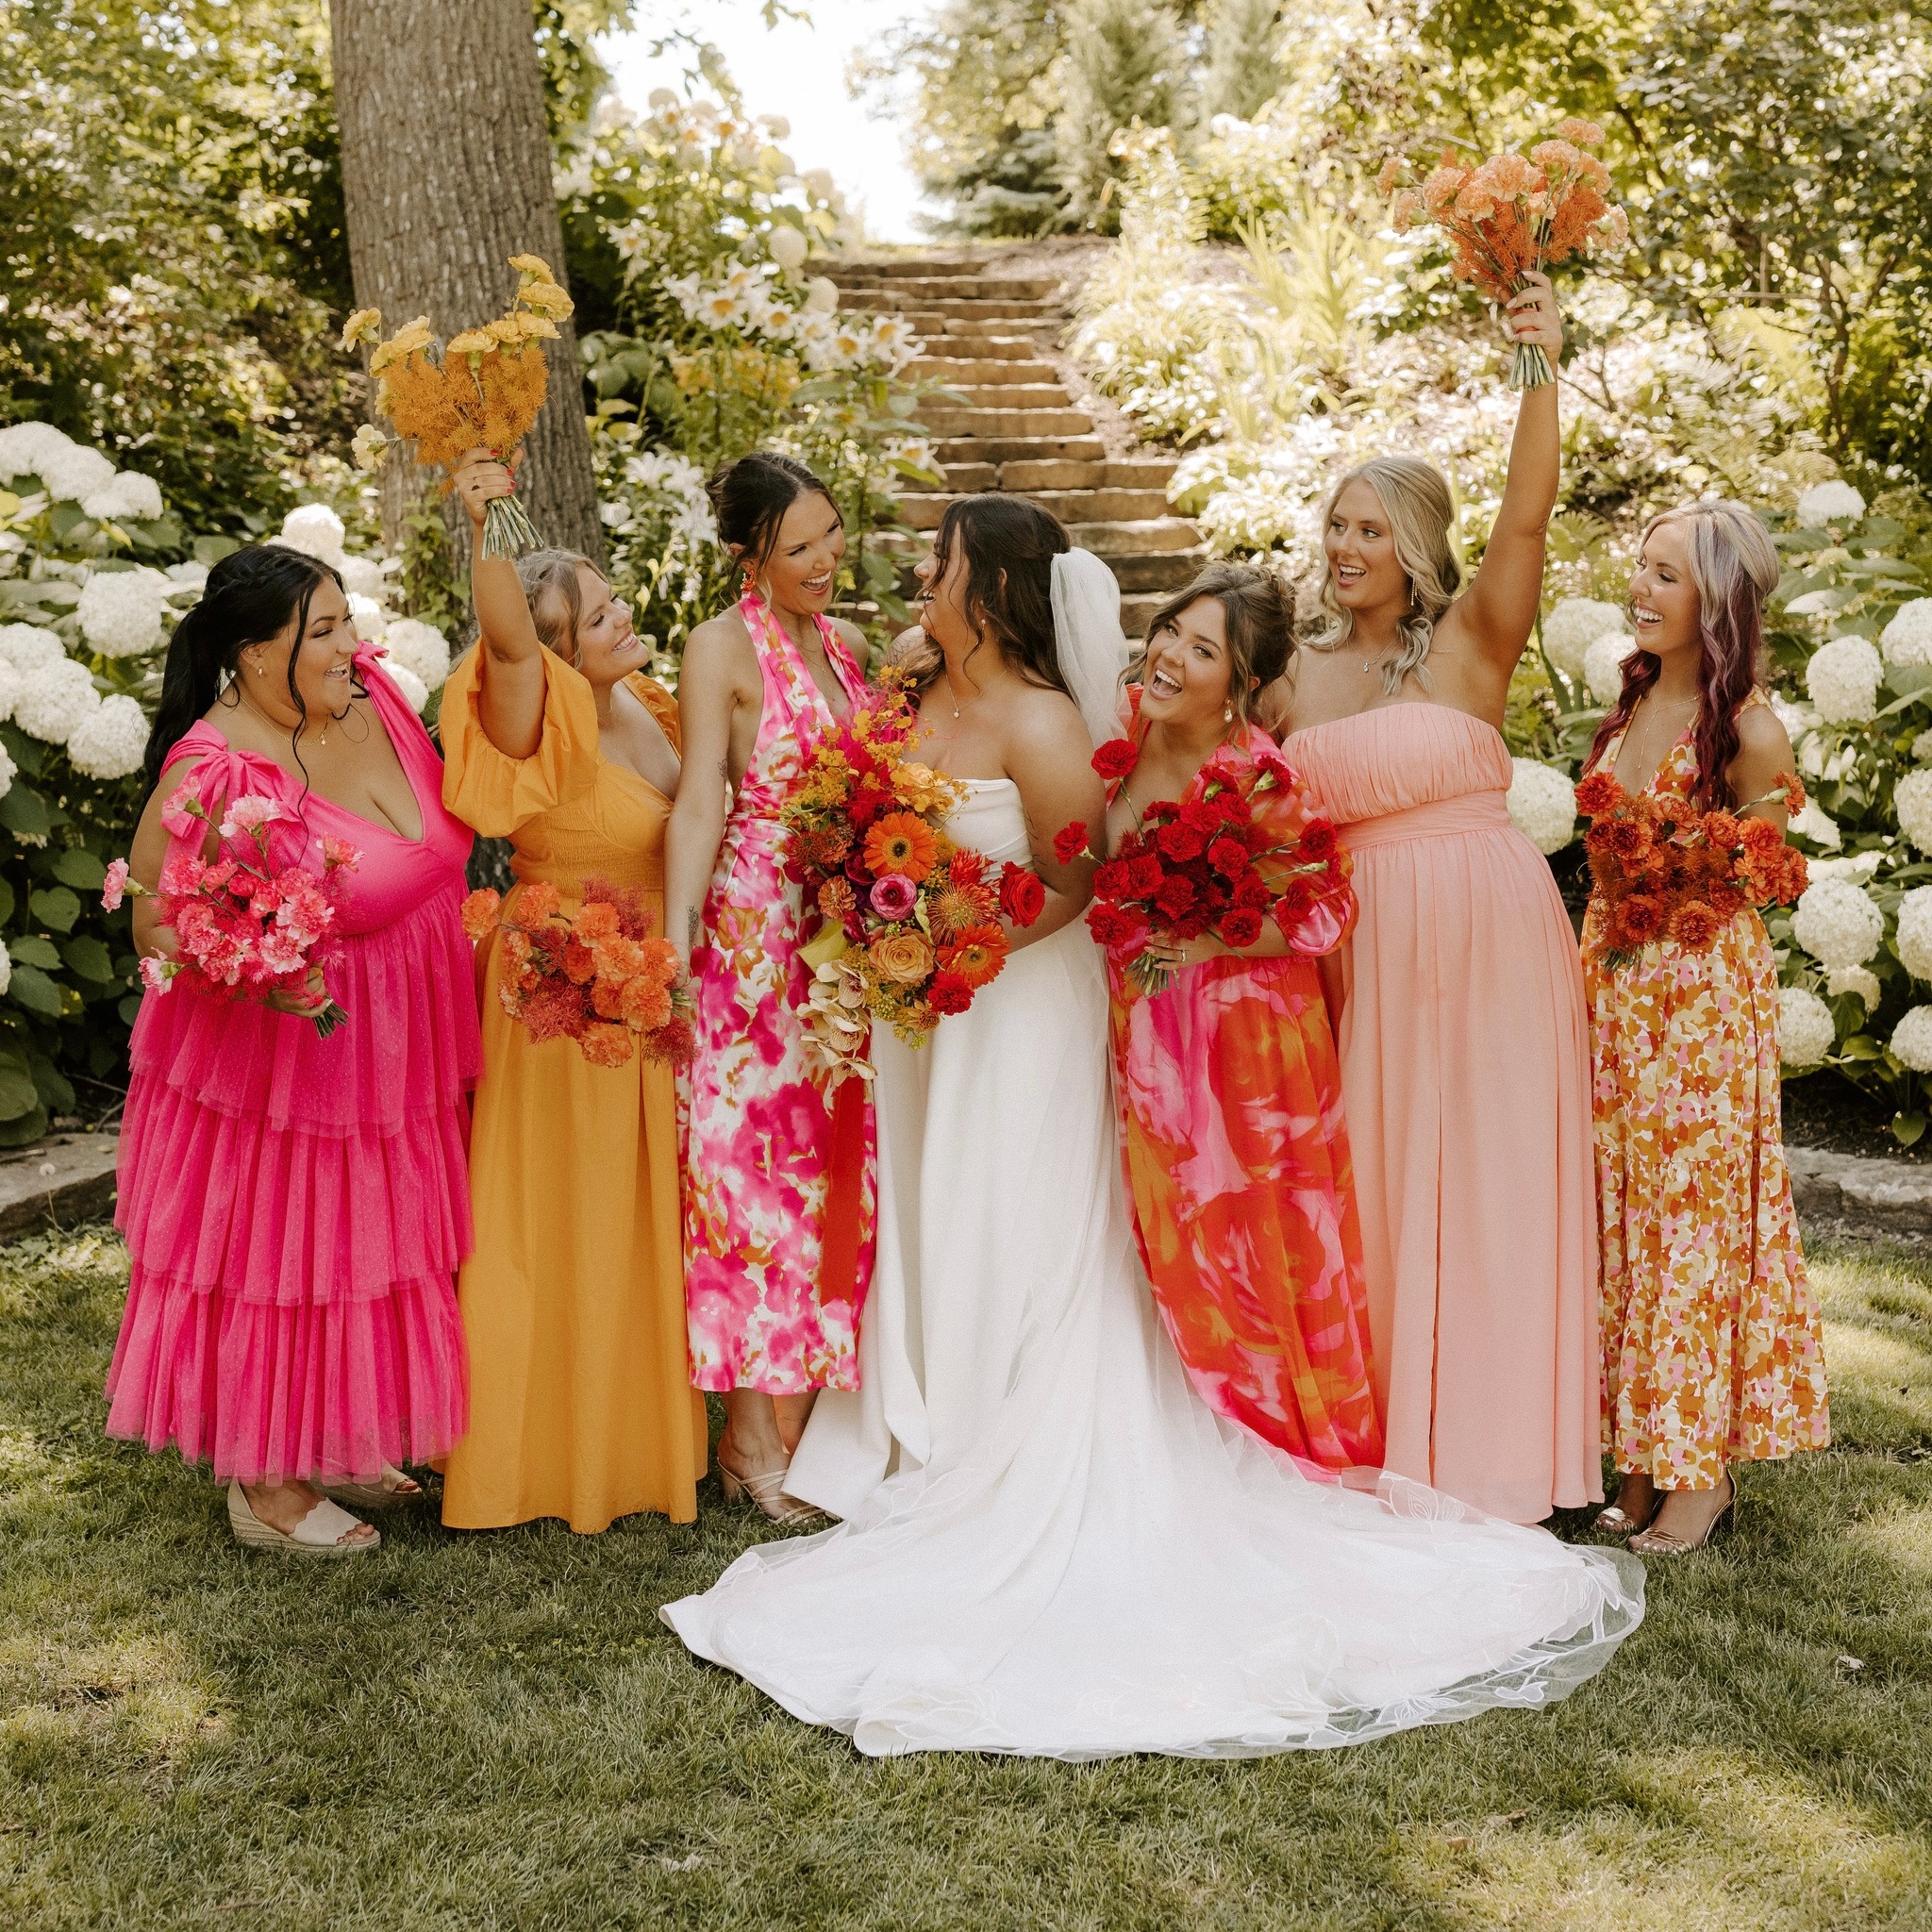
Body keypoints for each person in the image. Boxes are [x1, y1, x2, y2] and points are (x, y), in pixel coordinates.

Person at [658, 497, 1644, 1762]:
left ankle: (1006, 1431)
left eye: (943, 563)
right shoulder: (970, 706)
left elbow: (1089, 879)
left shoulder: (1129, 745)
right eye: (1165, 635)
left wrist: (987, 939)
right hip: (972, 1016)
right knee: (950, 1205)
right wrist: (892, 916)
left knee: (1031, 1216)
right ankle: (923, 1419)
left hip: (1057, 1010)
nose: (919, 573)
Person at [1269, 273, 1601, 1524]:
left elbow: (1527, 514)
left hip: (1490, 931)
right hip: (1358, 951)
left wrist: (1538, 364)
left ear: (1413, 545)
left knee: (1497, 1174)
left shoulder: (1470, 643)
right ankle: (1390, 1434)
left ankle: (1507, 1449)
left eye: (1370, 529)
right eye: (1336, 526)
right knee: (1376, 1180)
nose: (1346, 548)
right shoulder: (1290, 675)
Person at [108, 543, 478, 1556]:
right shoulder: (216, 767)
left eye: (346, 619)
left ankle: (336, 1430)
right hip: (289, 1059)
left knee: (371, 1233)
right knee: (286, 1246)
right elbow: (153, 917)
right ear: (252, 651)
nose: (350, 643)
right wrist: (252, 968)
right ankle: (266, 1482)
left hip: (403, 1036)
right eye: (322, 629)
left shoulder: (373, 701)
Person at [437, 452, 707, 1534]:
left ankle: (632, 1438)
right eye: (597, 617)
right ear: (553, 656)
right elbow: (506, 640)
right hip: (564, 994)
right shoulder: (535, 723)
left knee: (635, 1220)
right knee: (563, 1219)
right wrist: (486, 527)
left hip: (649, 979)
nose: (622, 615)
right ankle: (536, 1457)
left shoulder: (644, 698)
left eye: (612, 598)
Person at [1581, 501, 1829, 1555]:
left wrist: (1678, 869)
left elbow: (1762, 873)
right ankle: (1638, 1454)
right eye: (1640, 567)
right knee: (1624, 1217)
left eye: (1665, 575)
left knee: (1691, 1225)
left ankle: (1700, 1471)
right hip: (1613, 991)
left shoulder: (1750, 729)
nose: (1640, 589)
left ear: (1716, 601)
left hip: (1699, 1004)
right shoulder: (1632, 697)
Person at [1100, 563, 1381, 1469]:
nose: (1170, 656)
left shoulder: (1256, 774)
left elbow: (1326, 909)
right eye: (1171, 630)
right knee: (1154, 1224)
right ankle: (1160, 1427)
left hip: (1243, 1045)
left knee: (1239, 1240)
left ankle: (1260, 1436)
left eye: (1202, 649)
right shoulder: (1123, 727)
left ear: (1241, 684)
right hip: (1141, 1023)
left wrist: (1210, 938)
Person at [665, 453, 875, 1524]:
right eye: (799, 546)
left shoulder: (843, 645)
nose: (824, 557)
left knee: (829, 1179)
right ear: (750, 556)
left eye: (831, 532)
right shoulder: (720, 646)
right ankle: (748, 1432)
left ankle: (809, 1411)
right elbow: (702, 792)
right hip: (753, 944)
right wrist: (675, 938)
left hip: (837, 946)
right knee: (747, 1182)